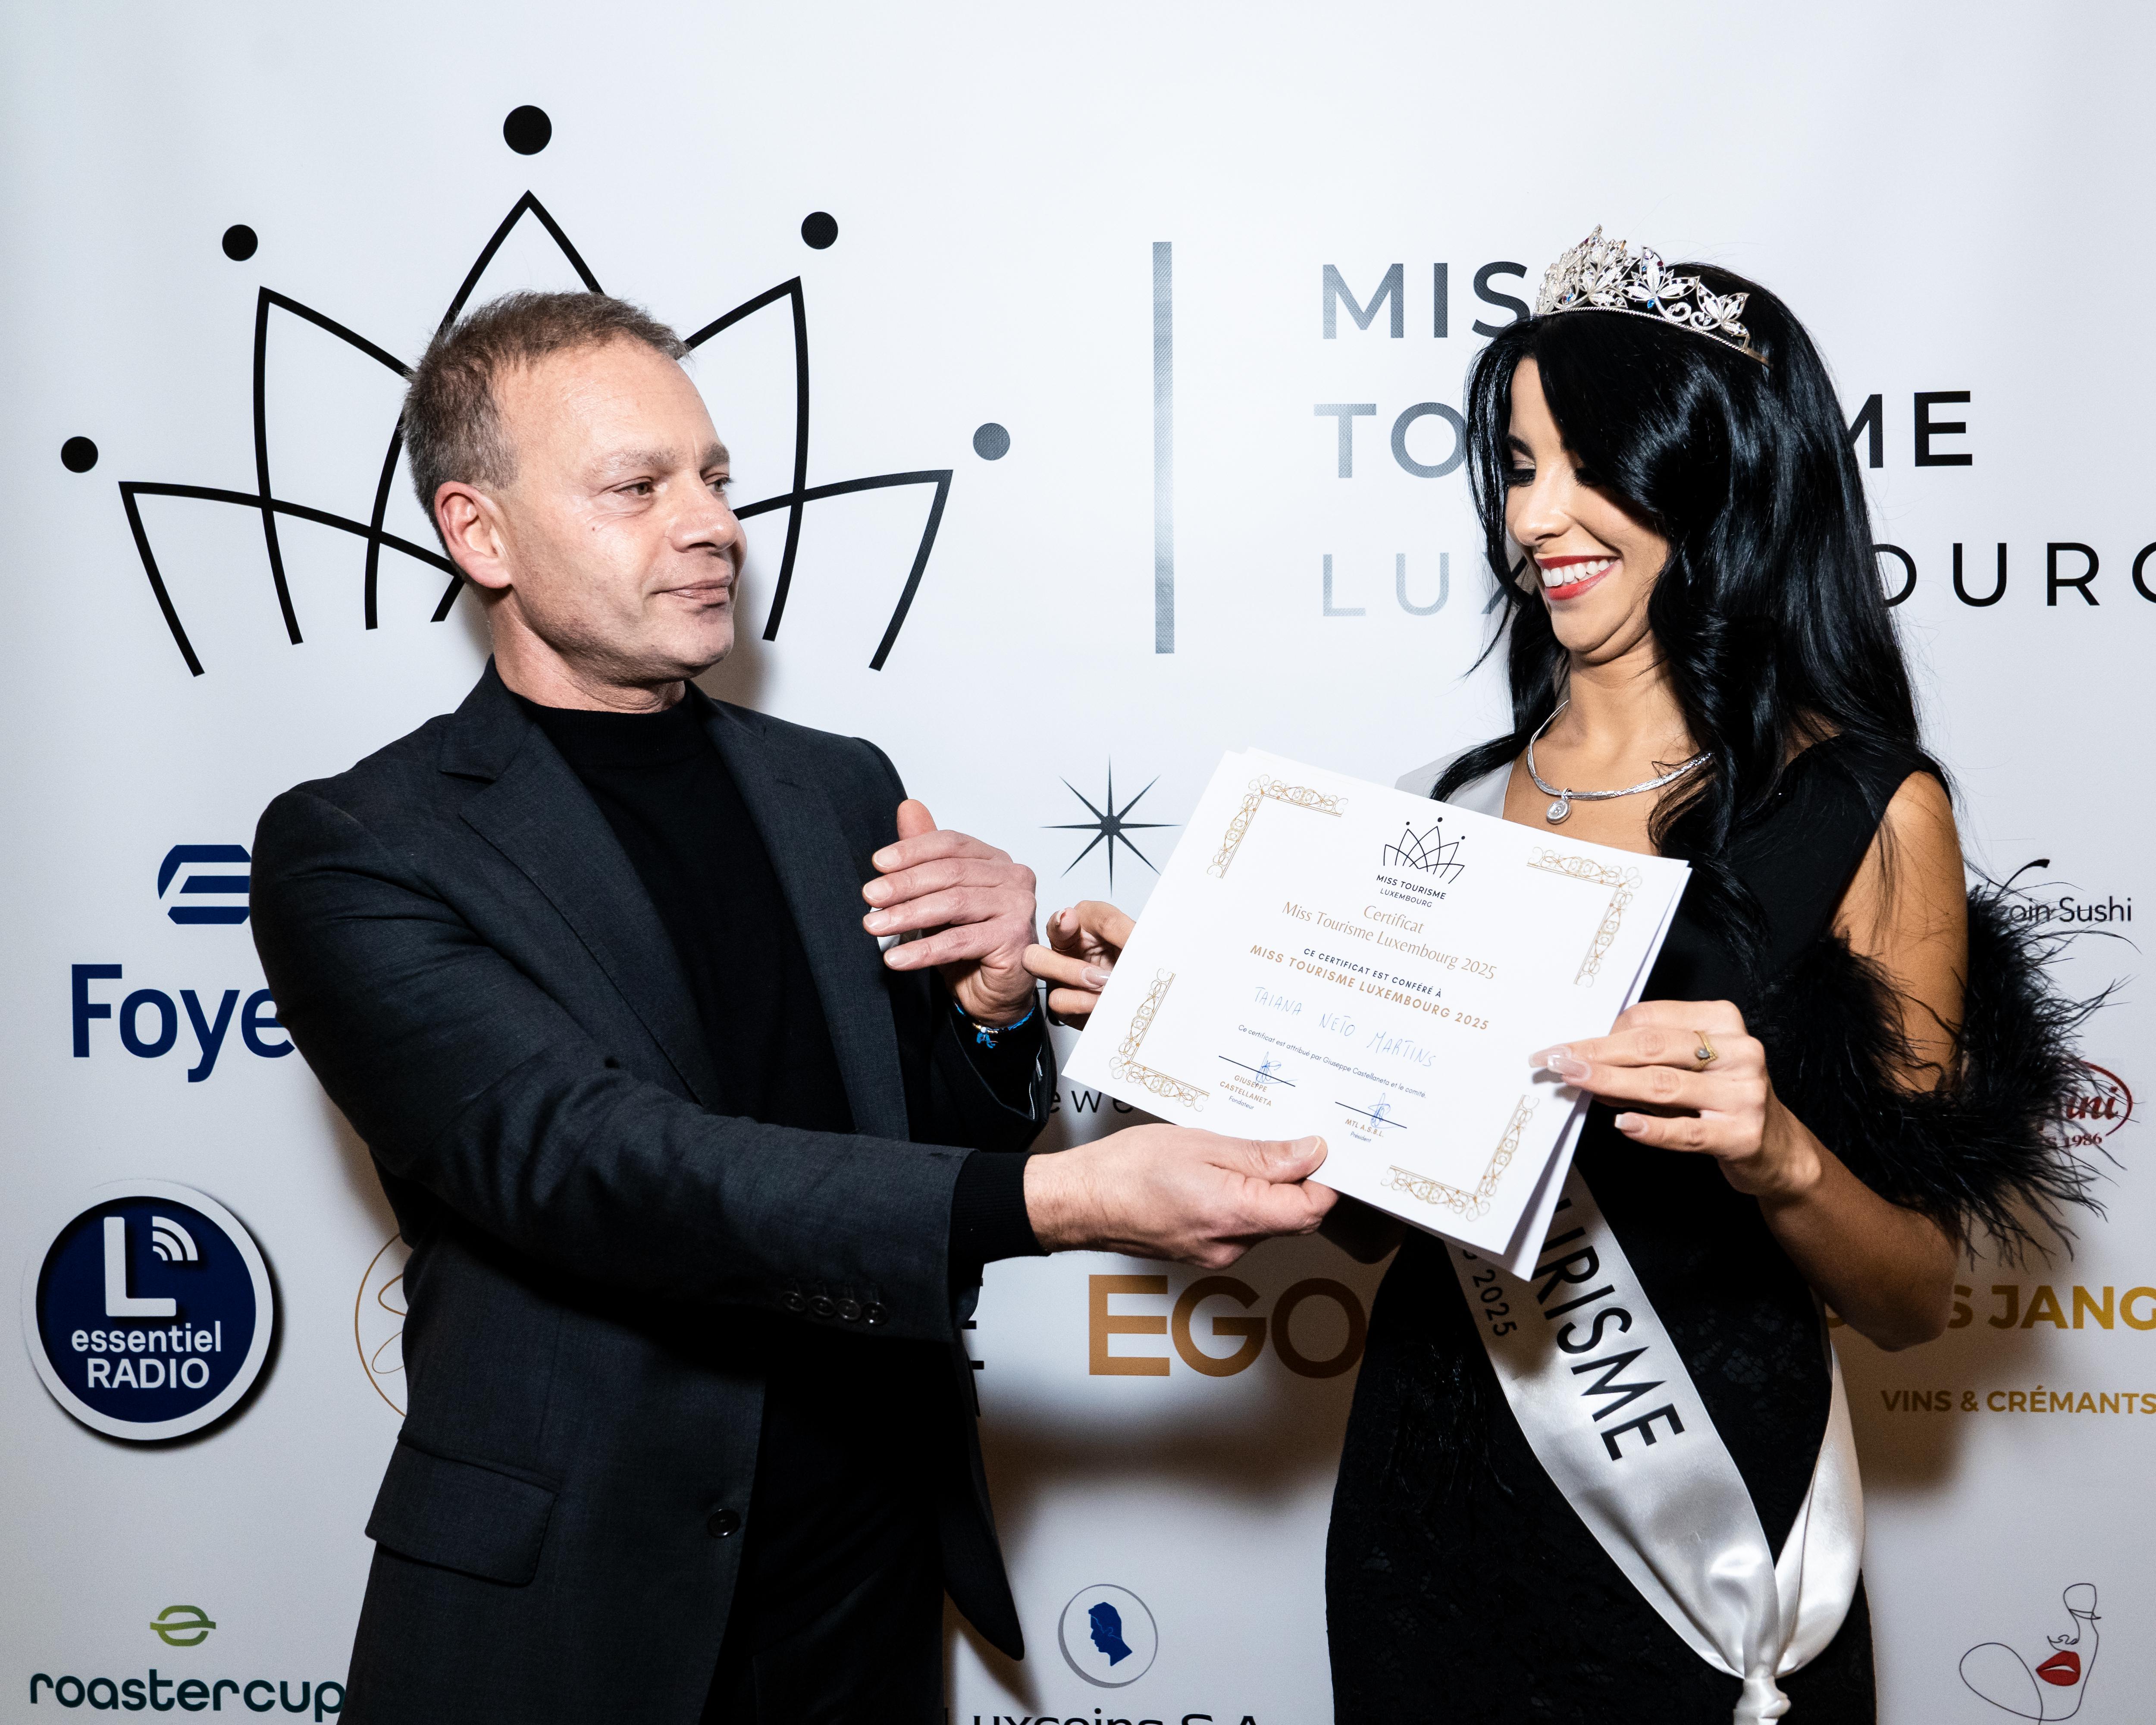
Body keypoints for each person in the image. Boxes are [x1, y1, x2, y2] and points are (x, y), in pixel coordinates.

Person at [1027, 231, 2088, 1721]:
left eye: (1591, 465)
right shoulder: (1445, 808)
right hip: (1428, 1513)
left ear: (1717, 474)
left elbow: (1916, 1296)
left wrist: (1782, 1153)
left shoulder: (1863, 810)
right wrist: (1204, 1015)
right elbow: (1360, 1226)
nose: (1537, 515)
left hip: (1710, 1531)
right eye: (1519, 467)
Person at [249, 290, 1335, 1725]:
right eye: (638, 488)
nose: (713, 525)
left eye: (714, 478)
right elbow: (598, 1168)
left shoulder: (835, 785)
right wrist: (1067, 1203)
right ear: (481, 534)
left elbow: (914, 1148)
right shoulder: (361, 846)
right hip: (570, 1599)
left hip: (861, 1581)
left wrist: (991, 1014)